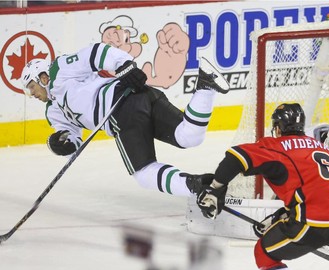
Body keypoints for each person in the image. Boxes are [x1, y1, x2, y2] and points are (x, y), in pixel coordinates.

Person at [20, 42, 229, 196]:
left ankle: (194, 189)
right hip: (141, 97)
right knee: (189, 136)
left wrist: (125, 65)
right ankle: (206, 86)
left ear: (42, 77)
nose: (33, 95)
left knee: (144, 172)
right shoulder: (53, 111)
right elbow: (72, 139)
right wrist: (59, 144)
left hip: (121, 107)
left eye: (32, 87)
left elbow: (95, 53)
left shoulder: (59, 70)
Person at [194, 103, 329, 270]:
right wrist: (279, 217)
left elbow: (236, 157)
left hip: (312, 222)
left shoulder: (275, 146)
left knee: (264, 254)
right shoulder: (319, 147)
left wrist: (215, 189)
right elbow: (321, 192)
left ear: (278, 128)